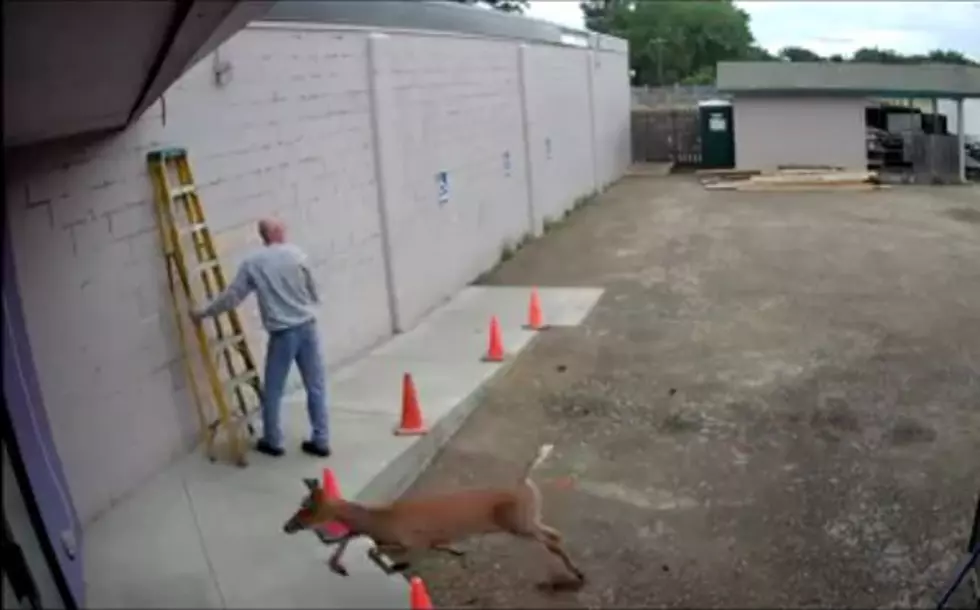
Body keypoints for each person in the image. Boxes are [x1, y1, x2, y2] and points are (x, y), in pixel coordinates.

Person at [191, 218, 330, 458]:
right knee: (315, 386)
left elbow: (232, 297)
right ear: (275, 232)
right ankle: (321, 440)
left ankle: (273, 441)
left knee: (274, 389)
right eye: (282, 228)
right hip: (307, 327)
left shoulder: (253, 263)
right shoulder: (297, 254)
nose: (286, 230)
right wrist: (310, 305)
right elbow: (313, 289)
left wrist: (204, 313)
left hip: (282, 333)